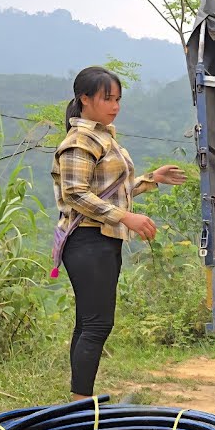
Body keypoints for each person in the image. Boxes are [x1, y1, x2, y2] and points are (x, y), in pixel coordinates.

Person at [51, 66, 187, 400]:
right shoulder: (79, 142)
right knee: (97, 324)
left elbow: (113, 190)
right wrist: (126, 217)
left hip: (102, 241)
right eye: (107, 98)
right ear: (84, 99)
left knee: (89, 322)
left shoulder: (103, 136)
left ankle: (77, 403)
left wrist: (152, 178)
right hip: (86, 240)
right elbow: (75, 194)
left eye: (118, 99)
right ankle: (81, 404)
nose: (115, 105)